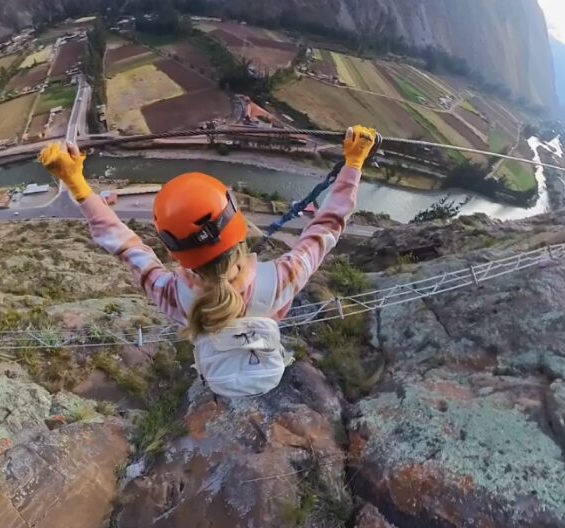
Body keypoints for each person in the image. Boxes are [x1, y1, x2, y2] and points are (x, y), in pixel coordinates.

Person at [39, 125, 376, 397]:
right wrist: (354, 164)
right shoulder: (282, 279)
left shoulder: (174, 296)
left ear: (174, 250)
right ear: (239, 224)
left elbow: (124, 244)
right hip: (263, 360)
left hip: (219, 376)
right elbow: (327, 227)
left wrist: (77, 184)